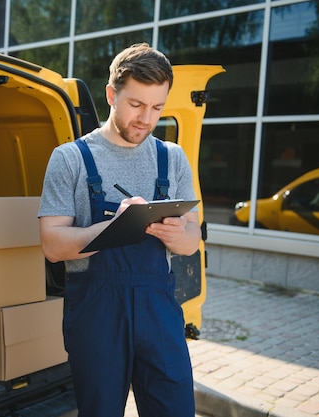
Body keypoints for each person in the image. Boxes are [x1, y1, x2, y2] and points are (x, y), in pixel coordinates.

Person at [38, 43, 201, 417]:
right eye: (136, 105)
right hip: (98, 313)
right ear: (112, 95)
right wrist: (114, 227)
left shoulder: (172, 158)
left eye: (157, 107)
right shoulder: (71, 159)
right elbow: (52, 244)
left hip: (158, 309)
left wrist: (180, 236)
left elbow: (192, 241)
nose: (146, 118)